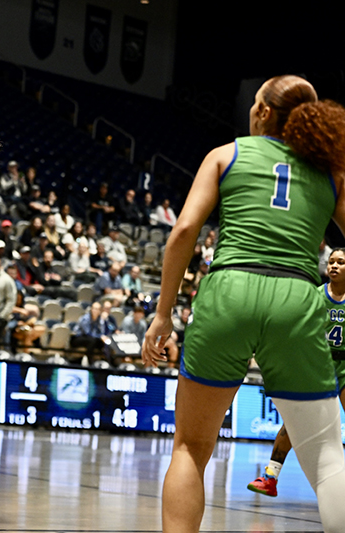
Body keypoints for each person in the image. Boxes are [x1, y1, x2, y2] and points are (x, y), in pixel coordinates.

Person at [141, 75, 345, 533]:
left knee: (190, 448)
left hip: (228, 292)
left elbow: (184, 232)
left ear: (262, 113)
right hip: (295, 297)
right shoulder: (330, 172)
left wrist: (163, 314)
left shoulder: (226, 154)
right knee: (328, 457)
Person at [247, 248, 345, 498]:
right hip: (317, 367)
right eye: (331, 261)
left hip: (344, 368)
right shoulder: (314, 296)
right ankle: (269, 477)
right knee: (295, 422)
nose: (333, 266)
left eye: (341, 262)